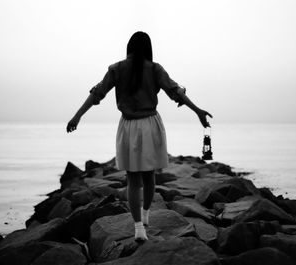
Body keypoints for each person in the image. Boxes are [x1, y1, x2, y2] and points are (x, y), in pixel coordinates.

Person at [66, 31, 212, 242]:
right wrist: (198, 111)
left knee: (133, 180)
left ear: (129, 48)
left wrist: (76, 117)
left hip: (128, 126)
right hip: (151, 124)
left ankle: (138, 230)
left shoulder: (116, 69)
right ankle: (145, 216)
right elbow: (176, 92)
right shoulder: (155, 69)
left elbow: (97, 93)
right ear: (148, 49)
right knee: (149, 177)